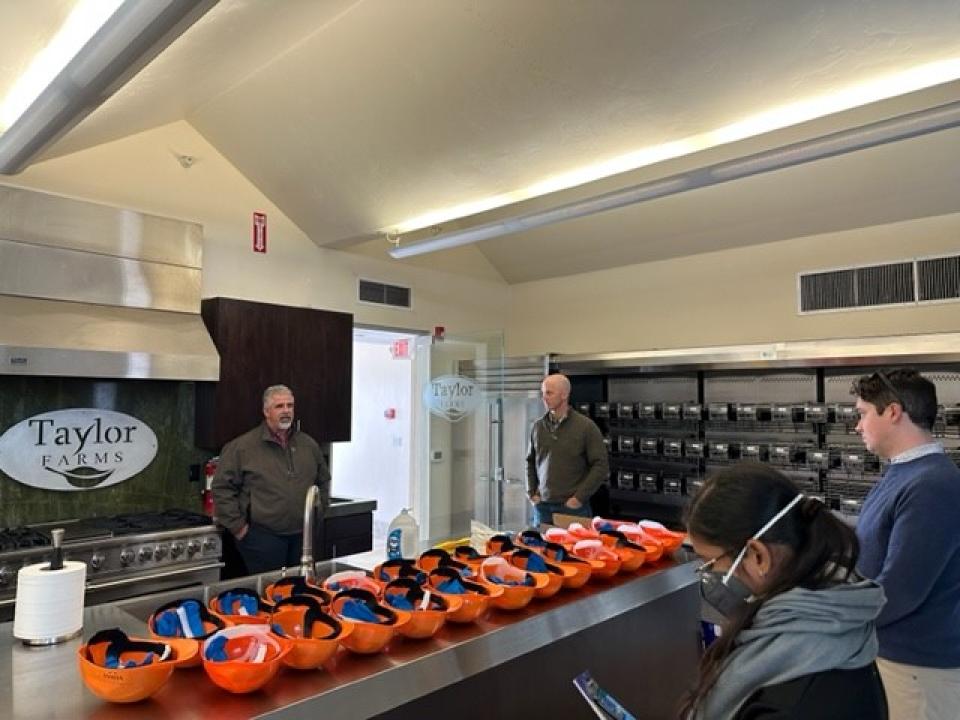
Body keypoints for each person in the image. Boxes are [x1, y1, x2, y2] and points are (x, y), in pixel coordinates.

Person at [681, 463, 887, 720]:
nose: (707, 574)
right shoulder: (833, 610)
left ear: (758, 556)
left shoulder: (795, 697)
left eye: (709, 563)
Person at [851, 368, 960, 720]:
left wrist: (837, 619)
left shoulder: (931, 484)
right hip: (894, 657)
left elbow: (901, 589)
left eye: (863, 413)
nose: (858, 426)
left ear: (893, 412)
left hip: (919, 669)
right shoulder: (903, 473)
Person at [212, 384, 330, 574]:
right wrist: (239, 528)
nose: (286, 411)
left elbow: (323, 481)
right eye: (279, 406)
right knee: (269, 593)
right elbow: (221, 488)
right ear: (266, 411)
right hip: (262, 538)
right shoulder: (242, 447)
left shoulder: (308, 445)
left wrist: (318, 514)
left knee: (299, 593)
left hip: (303, 538)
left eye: (290, 406)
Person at [526, 373, 608, 526]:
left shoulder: (586, 427)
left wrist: (579, 498)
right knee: (542, 549)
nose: (544, 397)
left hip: (572, 508)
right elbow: (530, 461)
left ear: (564, 395)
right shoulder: (537, 427)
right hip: (542, 507)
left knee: (573, 549)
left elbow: (600, 465)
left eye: (549, 393)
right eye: (543, 393)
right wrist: (531, 492)